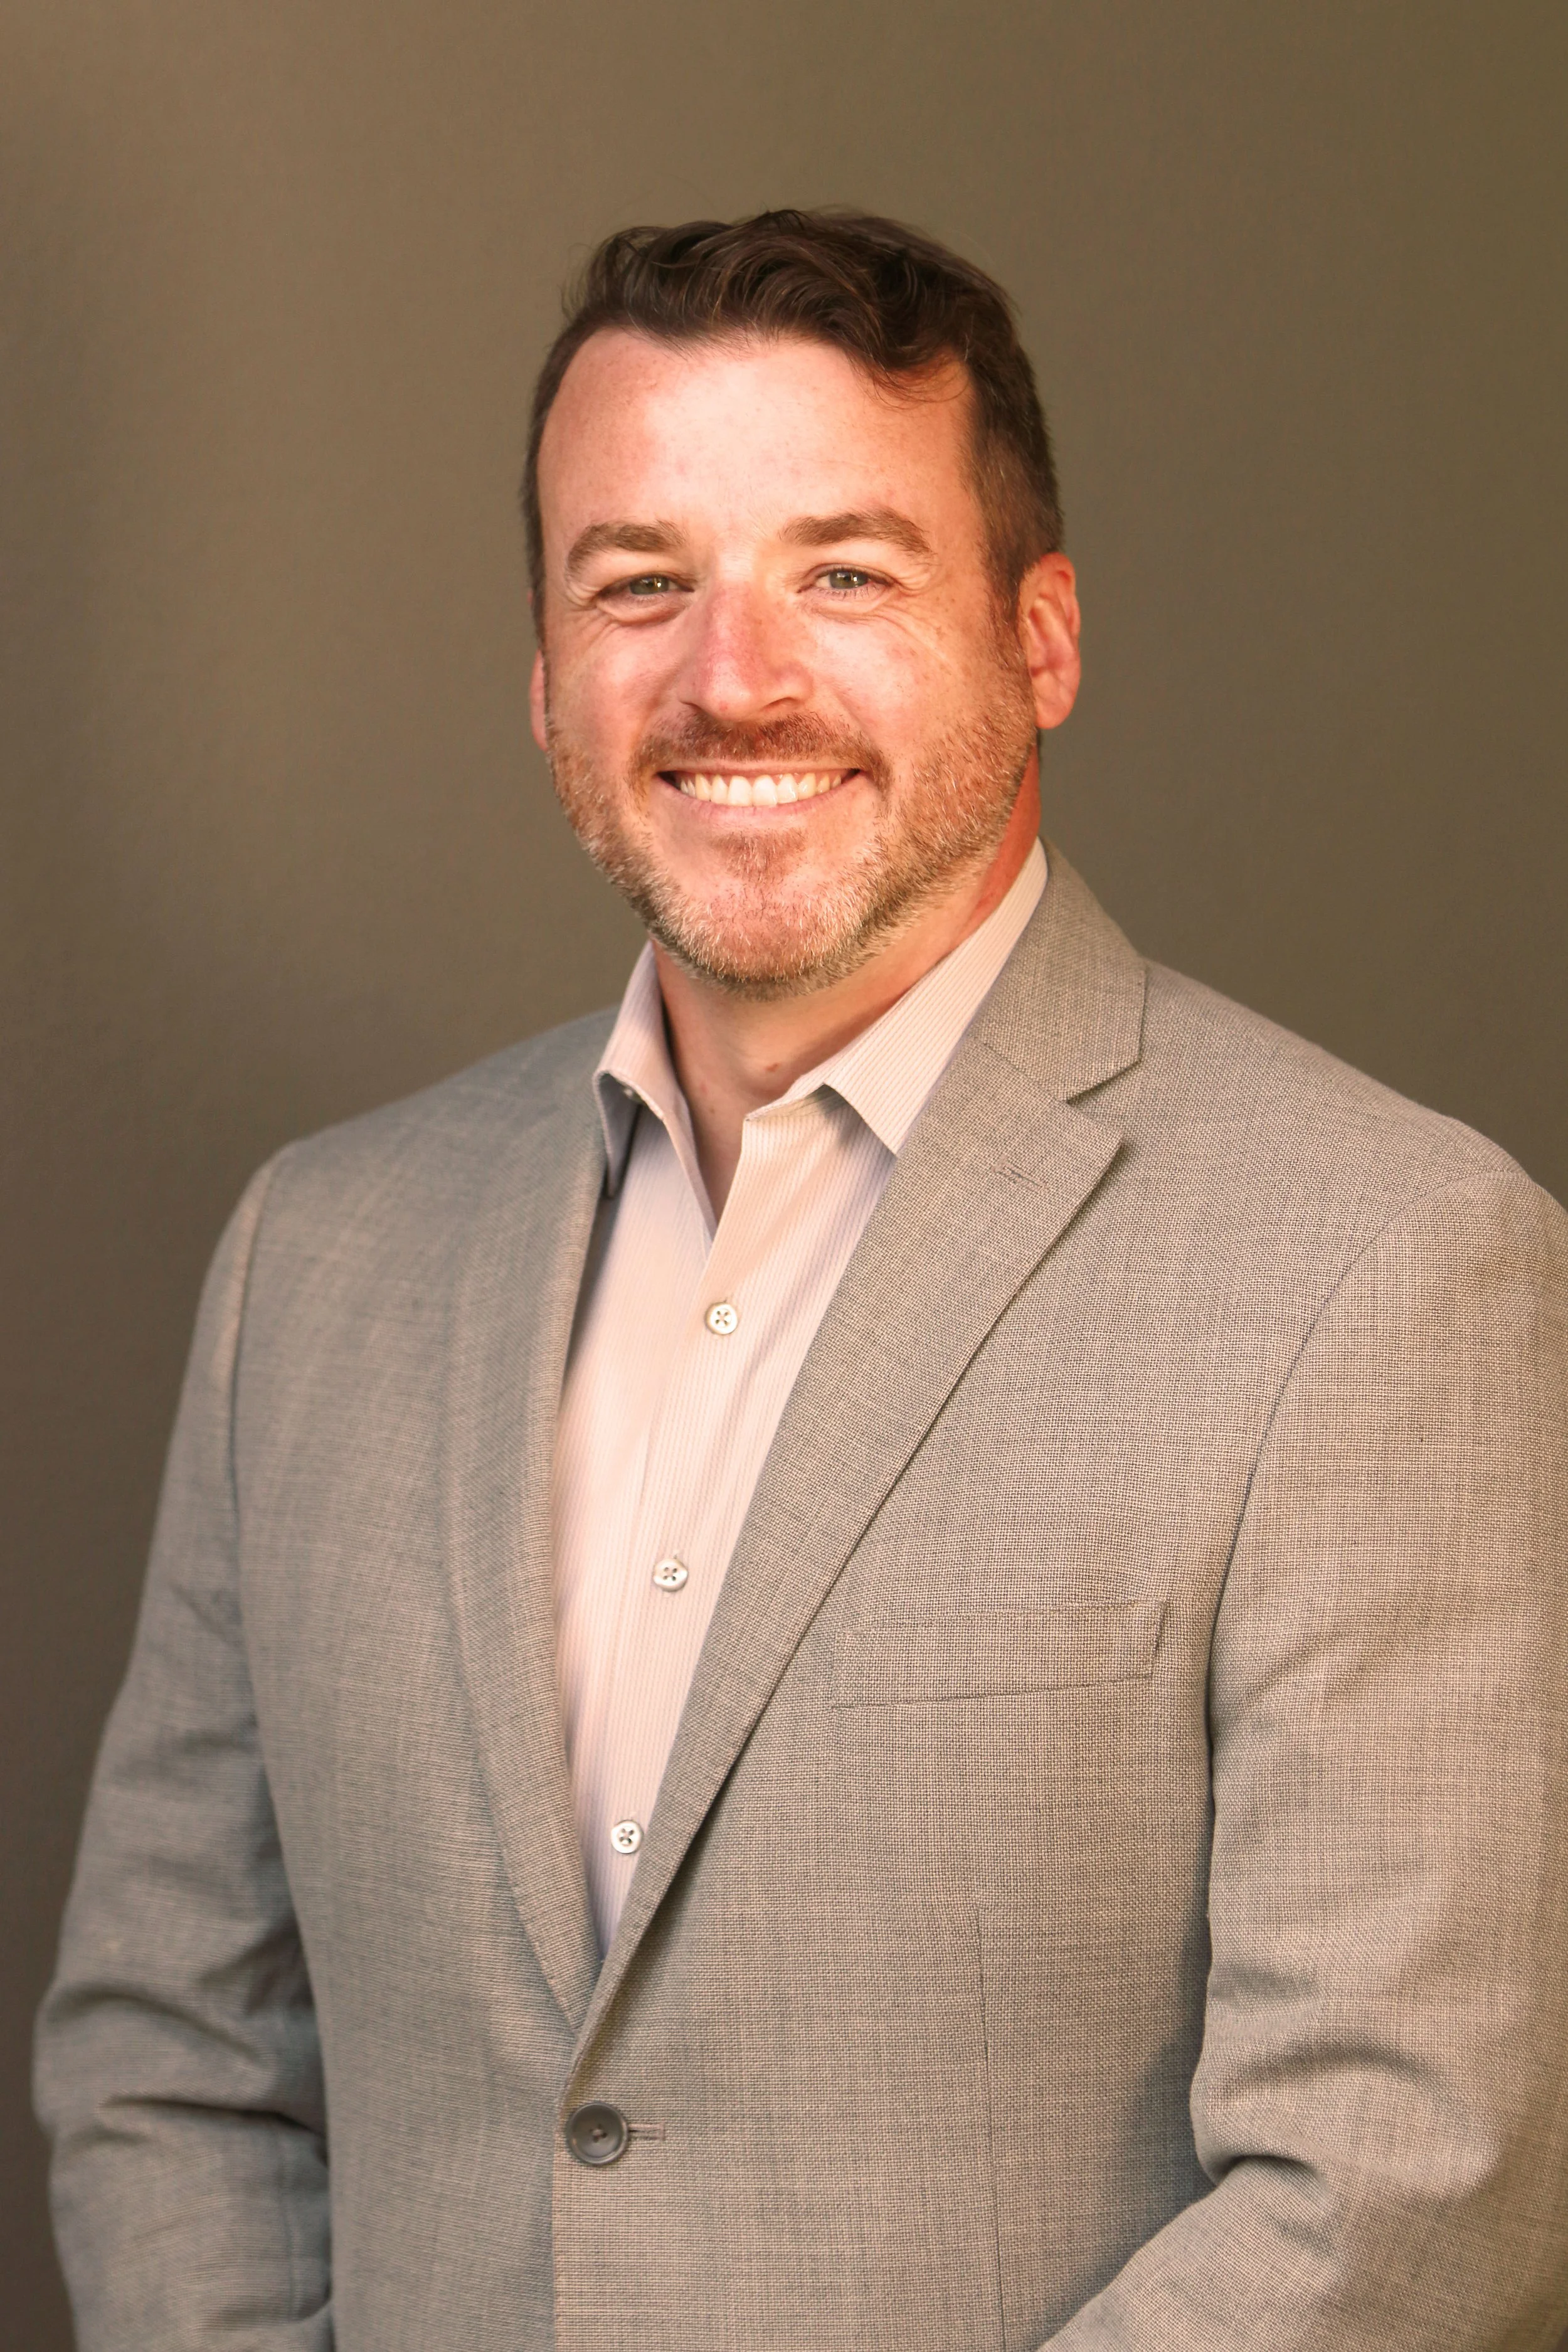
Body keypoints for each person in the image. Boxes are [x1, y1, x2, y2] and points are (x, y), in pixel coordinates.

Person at [35, 209, 1568, 2351]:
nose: (731, 673)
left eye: (845, 573)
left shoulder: (1381, 1262)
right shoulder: (318, 1255)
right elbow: (169, 2053)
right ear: (544, 672)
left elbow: (1409, 2188)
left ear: (1040, 639)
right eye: (638, 582)